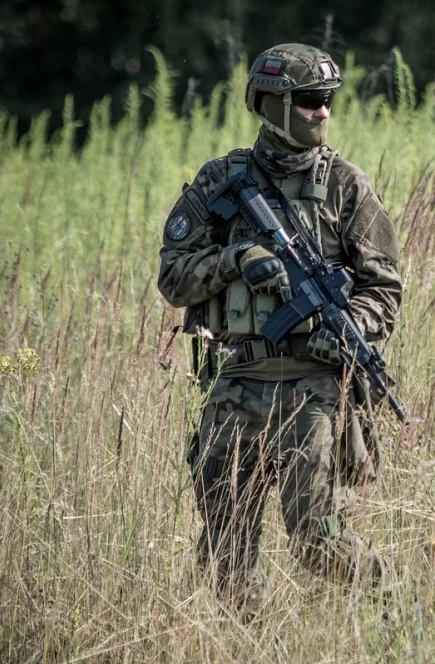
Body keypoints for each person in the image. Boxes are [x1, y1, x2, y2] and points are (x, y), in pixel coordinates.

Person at [157, 44, 402, 615]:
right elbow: (172, 278)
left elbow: (384, 289)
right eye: (312, 101)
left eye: (329, 101)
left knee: (318, 542)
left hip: (314, 390)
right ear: (272, 103)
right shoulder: (222, 182)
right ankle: (256, 650)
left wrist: (347, 330)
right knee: (226, 549)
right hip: (237, 382)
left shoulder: (345, 186)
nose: (324, 112)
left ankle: (395, 608)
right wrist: (234, 260)